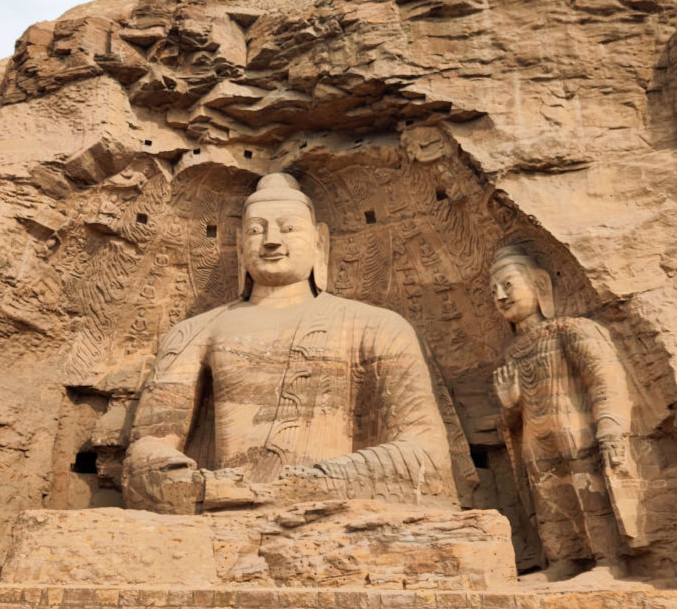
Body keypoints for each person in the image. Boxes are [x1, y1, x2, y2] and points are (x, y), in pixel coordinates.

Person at [122, 173, 461, 513]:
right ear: (239, 245)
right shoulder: (196, 332)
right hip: (223, 510)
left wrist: (312, 484)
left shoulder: (377, 327)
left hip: (338, 515)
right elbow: (147, 449)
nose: (271, 241)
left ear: (319, 241)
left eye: (288, 228)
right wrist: (198, 486)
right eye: (256, 230)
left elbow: (427, 455)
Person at [490, 244, 631, 581]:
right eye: (493, 291)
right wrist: (510, 404)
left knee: (591, 496)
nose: (500, 296)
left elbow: (604, 380)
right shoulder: (510, 354)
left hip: (577, 430)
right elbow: (510, 422)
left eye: (507, 285)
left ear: (539, 284)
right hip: (536, 440)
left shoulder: (571, 330)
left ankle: (609, 561)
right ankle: (563, 561)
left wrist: (610, 427)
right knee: (549, 503)